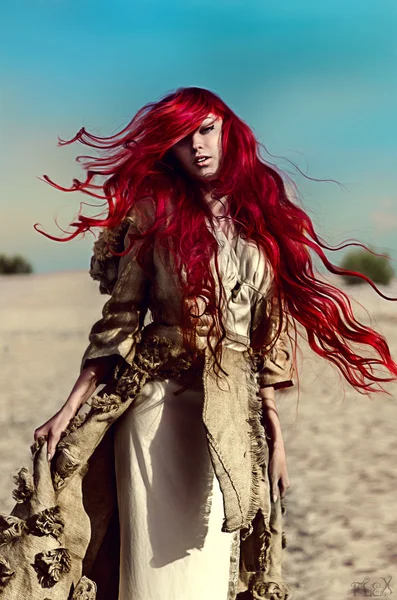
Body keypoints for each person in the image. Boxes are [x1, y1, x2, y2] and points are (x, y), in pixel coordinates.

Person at [0, 87, 396, 600]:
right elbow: (118, 321)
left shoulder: (264, 218)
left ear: (228, 130)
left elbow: (268, 333)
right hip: (152, 403)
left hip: (230, 413)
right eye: (182, 140)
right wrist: (69, 406)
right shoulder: (153, 216)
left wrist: (272, 431)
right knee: (150, 572)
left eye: (207, 130)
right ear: (170, 151)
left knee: (209, 570)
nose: (198, 147)